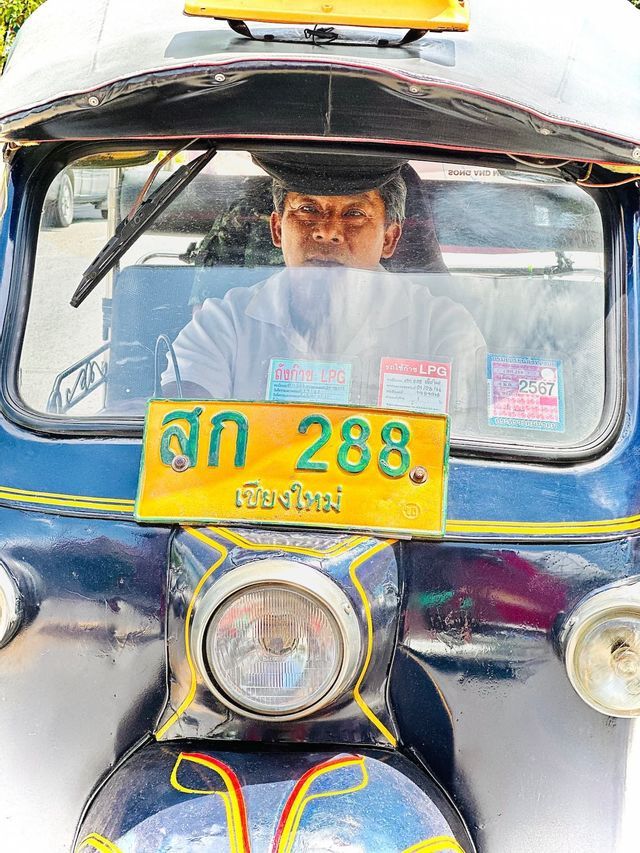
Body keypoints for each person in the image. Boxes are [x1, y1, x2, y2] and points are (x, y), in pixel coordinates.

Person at [161, 154, 486, 432]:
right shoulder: (222, 325)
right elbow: (180, 432)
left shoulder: (441, 328)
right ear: (277, 229)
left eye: (354, 213)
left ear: (389, 238)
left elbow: (464, 453)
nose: (327, 231)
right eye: (307, 209)